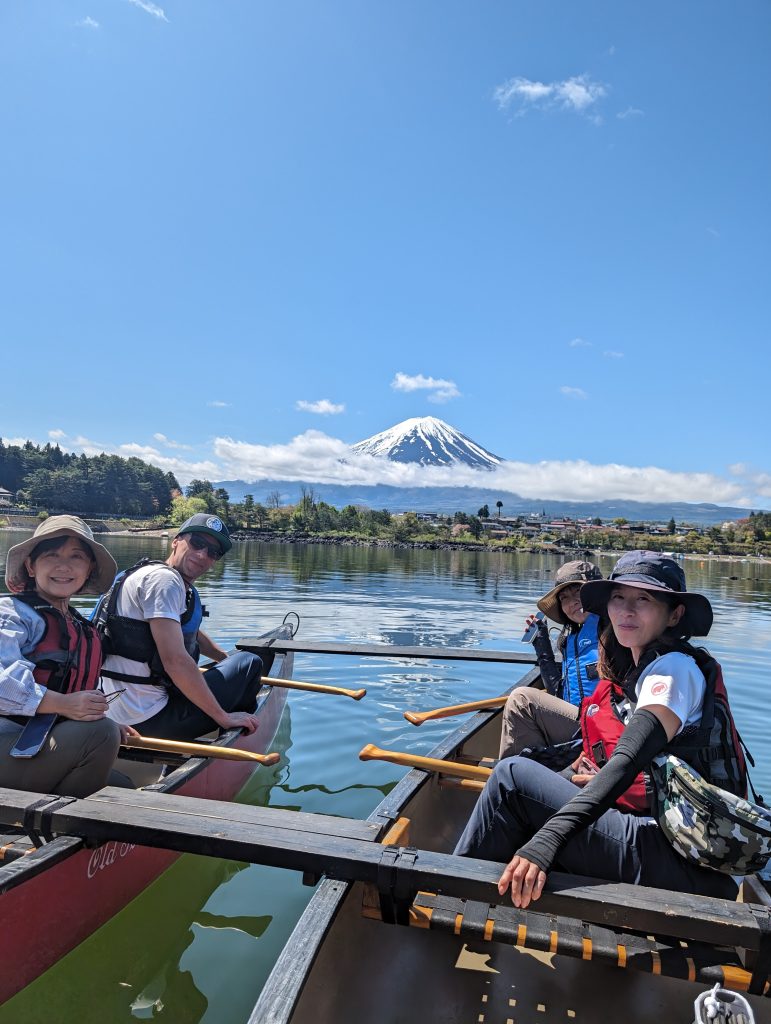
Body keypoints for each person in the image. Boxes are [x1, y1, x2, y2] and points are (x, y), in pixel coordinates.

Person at [456, 551, 745, 905]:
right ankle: (488, 882)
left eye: (644, 599)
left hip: (677, 857)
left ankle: (453, 891)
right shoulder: (639, 666)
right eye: (618, 598)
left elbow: (627, 760)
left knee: (511, 778)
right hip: (669, 839)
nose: (626, 610)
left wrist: (548, 840)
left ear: (675, 614)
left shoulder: (673, 671)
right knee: (535, 780)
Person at [97, 513, 264, 741]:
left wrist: (224, 658)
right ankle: (233, 736)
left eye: (213, 552)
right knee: (249, 663)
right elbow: (175, 660)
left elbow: (190, 633)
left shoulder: (145, 573)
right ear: (176, 540)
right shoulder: (166, 581)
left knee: (236, 662)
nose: (202, 554)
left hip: (114, 713)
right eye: (197, 543)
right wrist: (224, 716)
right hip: (151, 722)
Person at [0, 516, 126, 797]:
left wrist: (86, 711)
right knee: (102, 734)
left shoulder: (78, 624)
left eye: (76, 557)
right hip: (6, 739)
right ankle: (59, 830)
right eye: (51, 555)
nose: (64, 566)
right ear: (31, 566)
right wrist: (65, 704)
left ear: (89, 568)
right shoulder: (10, 614)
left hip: (34, 743)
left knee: (124, 785)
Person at [499, 560, 602, 758]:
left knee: (521, 700)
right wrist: (541, 643)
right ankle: (527, 773)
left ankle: (511, 776)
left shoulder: (615, 633)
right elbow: (557, 692)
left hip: (599, 727)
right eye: (564, 597)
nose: (572, 602)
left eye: (578, 592)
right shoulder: (570, 640)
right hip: (579, 726)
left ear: (597, 593)